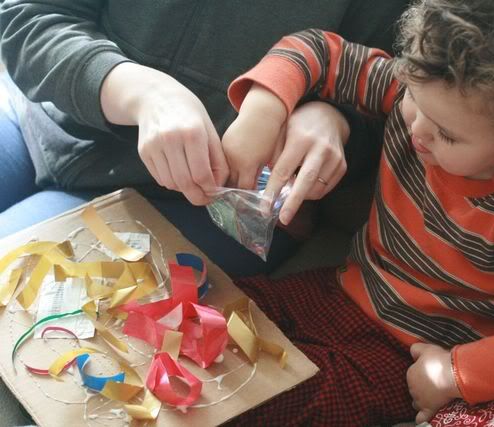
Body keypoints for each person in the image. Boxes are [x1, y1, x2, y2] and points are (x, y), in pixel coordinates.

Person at [221, 0, 494, 424]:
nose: (416, 129)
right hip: (340, 289)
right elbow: (317, 51)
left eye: (446, 135)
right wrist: (265, 109)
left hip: (403, 352)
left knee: (269, 400)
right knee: (214, 315)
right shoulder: (423, 94)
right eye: (414, 103)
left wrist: (452, 375)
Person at [0, 0, 408, 277]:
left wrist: (336, 120)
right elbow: (28, 19)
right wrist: (139, 92)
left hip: (218, 204)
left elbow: (401, 101)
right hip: (40, 119)